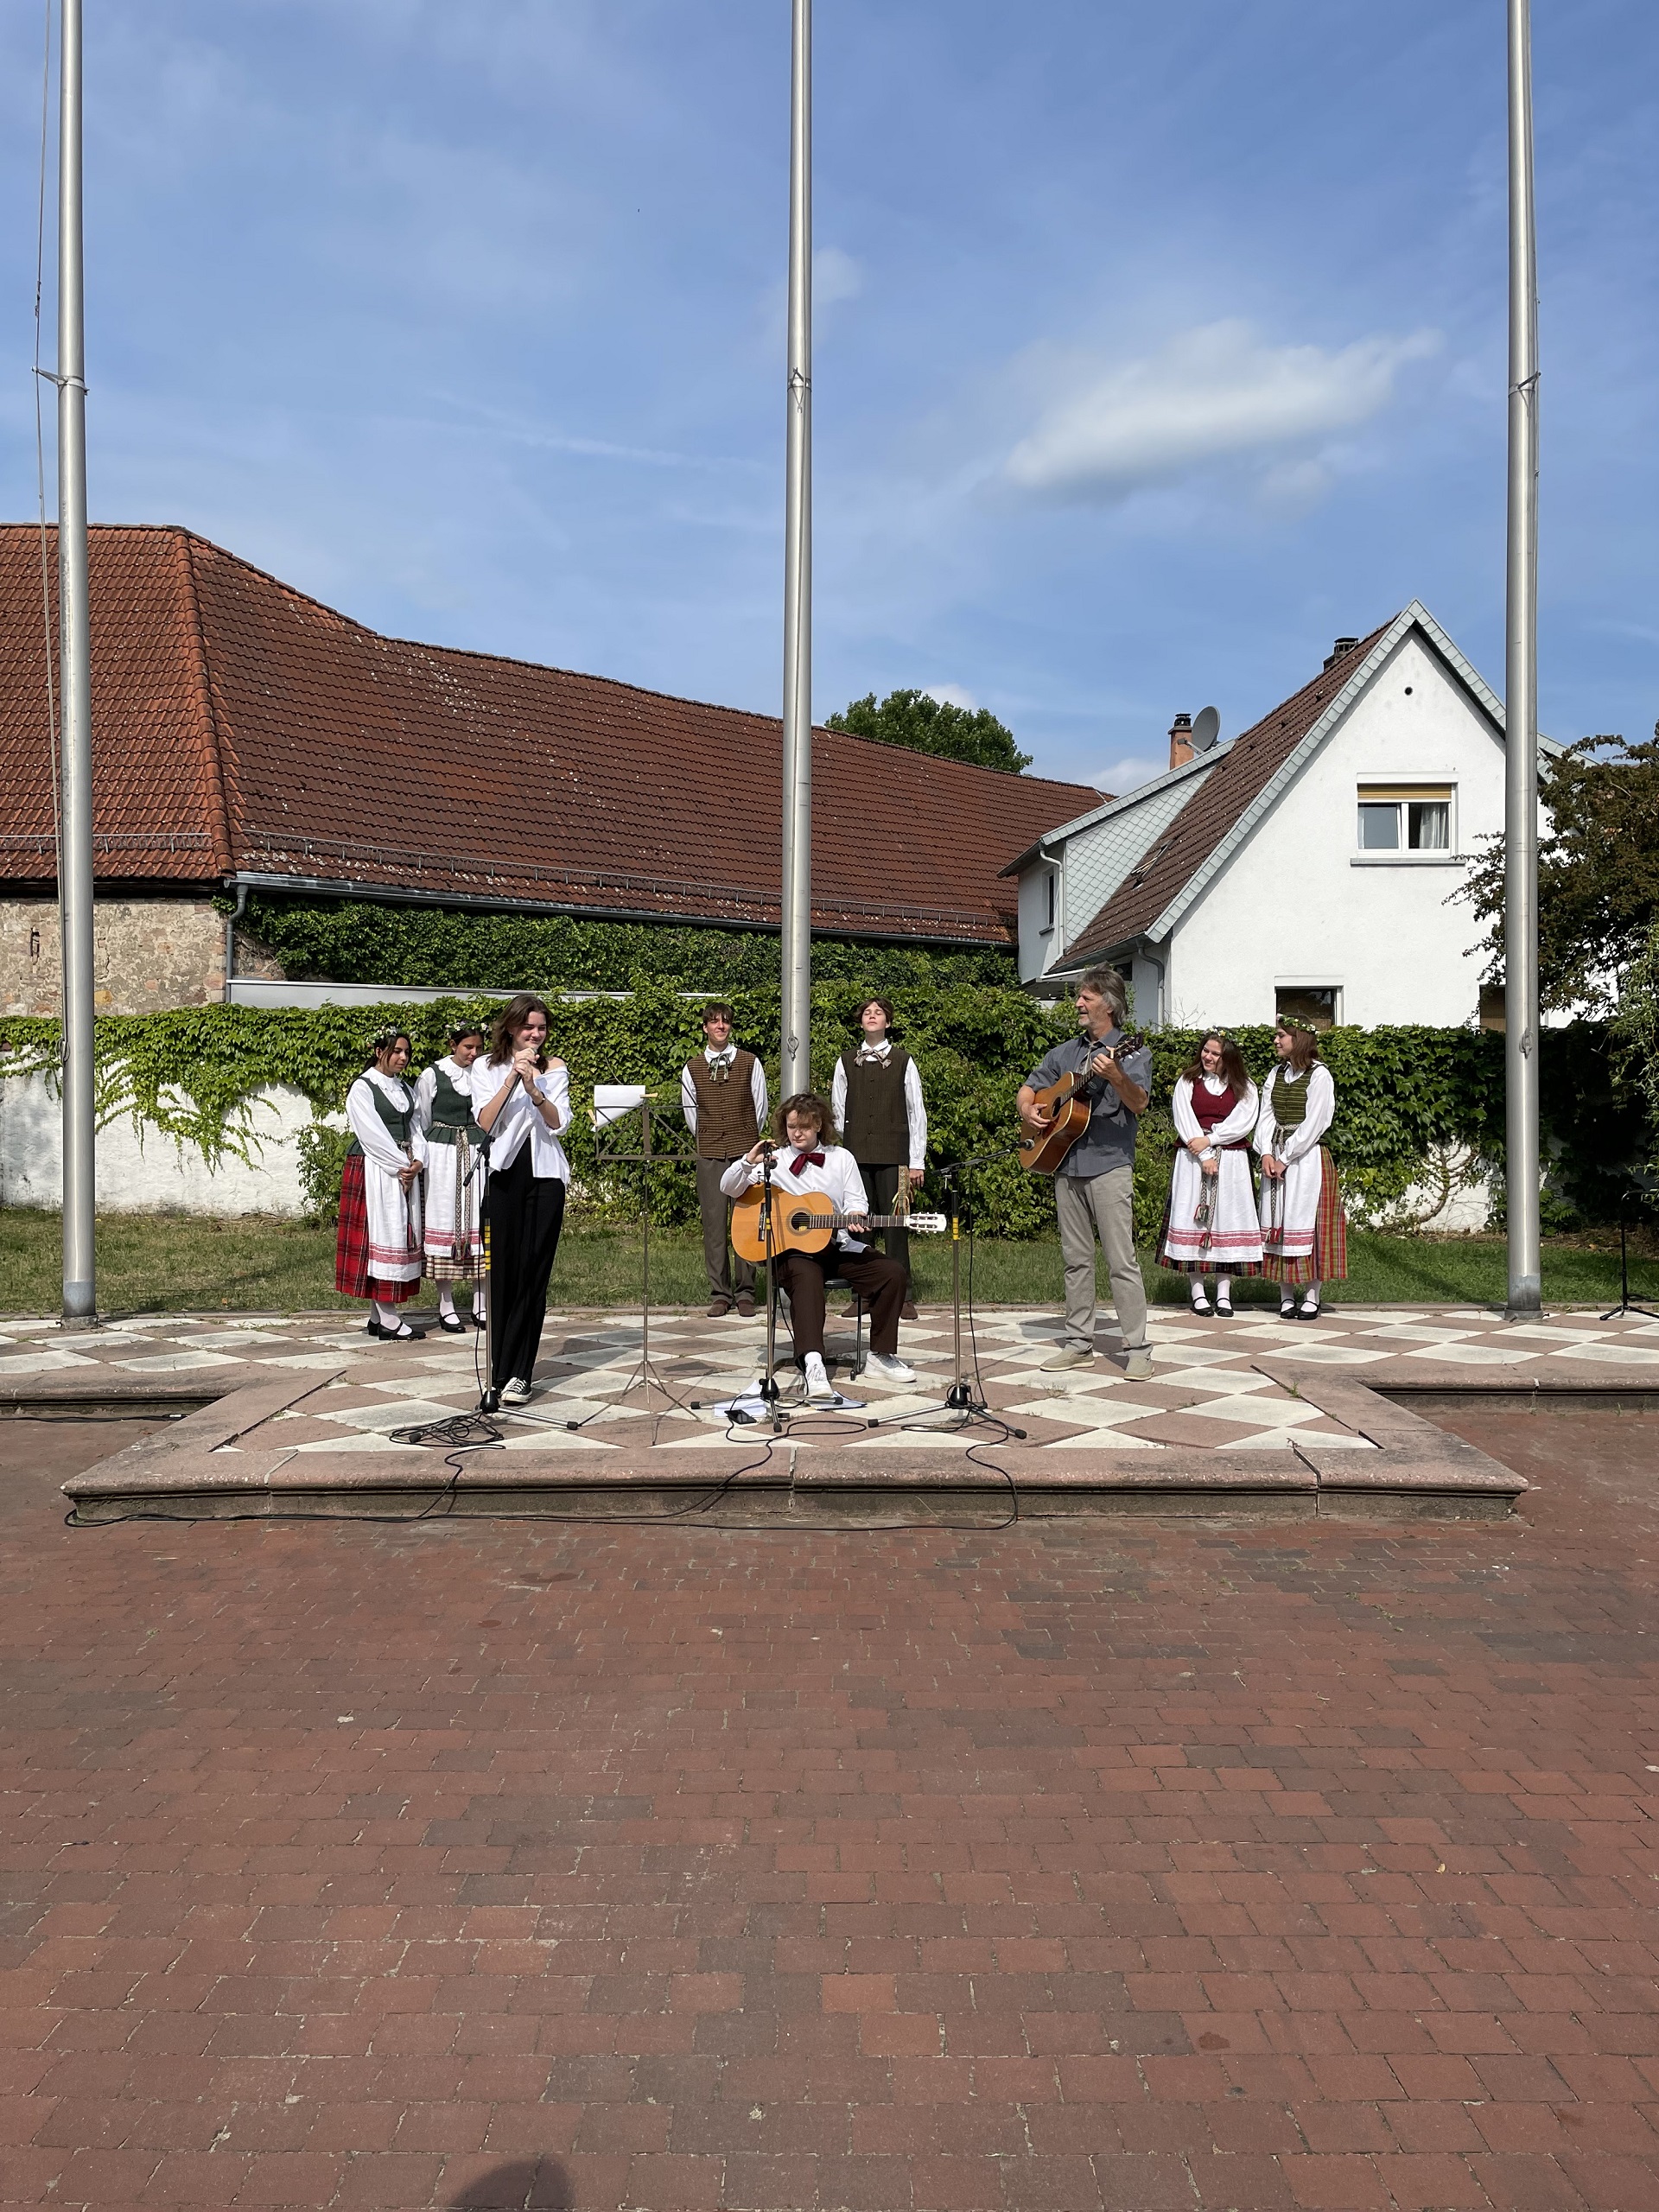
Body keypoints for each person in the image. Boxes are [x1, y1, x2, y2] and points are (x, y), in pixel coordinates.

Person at [720, 1092, 916, 1403]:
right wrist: (747, 1162)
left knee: (891, 1272)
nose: (797, 1133)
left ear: (819, 1126)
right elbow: (728, 1188)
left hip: (837, 1245)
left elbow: (856, 1200)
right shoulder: (776, 1160)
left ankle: (881, 1355)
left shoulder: (841, 1158)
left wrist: (854, 1215)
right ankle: (813, 1363)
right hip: (790, 1251)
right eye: (792, 1126)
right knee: (806, 1277)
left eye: (805, 1127)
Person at [1017, 967, 1154, 1380]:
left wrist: (1115, 1075)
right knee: (1076, 1260)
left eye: (1086, 998)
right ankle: (1079, 1344)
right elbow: (1030, 1088)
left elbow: (1139, 1103)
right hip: (1065, 1163)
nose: (1077, 1003)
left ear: (1109, 1006)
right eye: (1079, 997)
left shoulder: (1132, 1052)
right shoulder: (1064, 1052)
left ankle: (1138, 1347)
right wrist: (1028, 1109)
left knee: (1120, 1260)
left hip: (1109, 1164)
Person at [474, 993, 570, 1404]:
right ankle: (497, 1368)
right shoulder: (486, 1067)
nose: (535, 1035)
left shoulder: (556, 1069)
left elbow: (558, 1123)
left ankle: (521, 1373)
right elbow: (486, 1122)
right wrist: (513, 1079)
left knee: (533, 1271)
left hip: (546, 1177)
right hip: (504, 1174)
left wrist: (535, 1088)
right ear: (512, 1029)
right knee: (503, 1272)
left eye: (541, 1028)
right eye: (528, 1027)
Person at [830, 997, 927, 1321]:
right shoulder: (845, 1061)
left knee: (897, 1225)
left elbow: (916, 1112)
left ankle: (903, 1295)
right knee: (860, 1224)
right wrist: (846, 1150)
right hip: (856, 1156)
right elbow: (837, 1110)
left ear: (888, 1022)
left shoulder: (903, 1060)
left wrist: (917, 1161)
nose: (872, 1017)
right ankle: (864, 1293)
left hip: (895, 1154)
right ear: (861, 1022)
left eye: (879, 1013)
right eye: (867, 1013)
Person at [1160, 1033, 1262, 1316]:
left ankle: (1224, 1295)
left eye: (1215, 1054)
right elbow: (1184, 1118)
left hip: (1230, 1161)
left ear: (1227, 1057)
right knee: (1195, 1220)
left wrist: (1212, 1140)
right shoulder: (1188, 1082)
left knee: (1226, 1220)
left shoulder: (1245, 1087)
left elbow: (1243, 1121)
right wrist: (1203, 1153)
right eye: (1206, 1051)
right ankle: (1197, 1293)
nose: (1207, 1057)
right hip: (1193, 1158)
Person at [335, 1027, 425, 1340]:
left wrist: (418, 1161)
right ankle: (388, 1318)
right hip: (374, 1167)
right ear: (379, 1051)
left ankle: (377, 1317)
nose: (403, 1058)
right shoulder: (363, 1088)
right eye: (397, 1051)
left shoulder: (405, 1089)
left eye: (406, 1052)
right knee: (382, 1236)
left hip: (403, 1167)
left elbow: (416, 1127)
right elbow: (371, 1134)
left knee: (398, 1236)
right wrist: (402, 1167)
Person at [680, 1002, 768, 1318]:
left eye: (725, 1022)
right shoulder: (691, 1068)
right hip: (710, 1153)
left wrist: (746, 1141)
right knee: (714, 1224)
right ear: (705, 1027)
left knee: (746, 1221)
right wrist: (710, 1138)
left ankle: (746, 1291)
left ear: (730, 1027)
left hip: (746, 1151)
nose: (720, 1026)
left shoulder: (749, 1062)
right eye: (714, 1022)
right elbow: (691, 1113)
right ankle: (720, 1293)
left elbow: (761, 1107)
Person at [1255, 1020, 1347, 1320]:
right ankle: (1285, 1296)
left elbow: (1315, 1122)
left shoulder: (1319, 1075)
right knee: (1278, 1221)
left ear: (1299, 1038)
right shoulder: (1277, 1073)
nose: (1275, 1040)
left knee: (1309, 1223)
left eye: (1281, 1035)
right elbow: (1266, 1115)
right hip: (1277, 1156)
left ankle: (1311, 1295)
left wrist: (1286, 1155)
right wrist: (1267, 1152)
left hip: (1306, 1159)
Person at [412, 1020, 488, 1334]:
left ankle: (480, 1300)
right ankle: (445, 1303)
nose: (474, 1053)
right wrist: (424, 1154)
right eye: (468, 1047)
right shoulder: (432, 1075)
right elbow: (421, 1118)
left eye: (479, 1048)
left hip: (476, 1150)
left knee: (479, 1220)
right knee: (444, 1219)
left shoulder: (484, 1073)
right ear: (452, 1046)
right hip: (442, 1155)